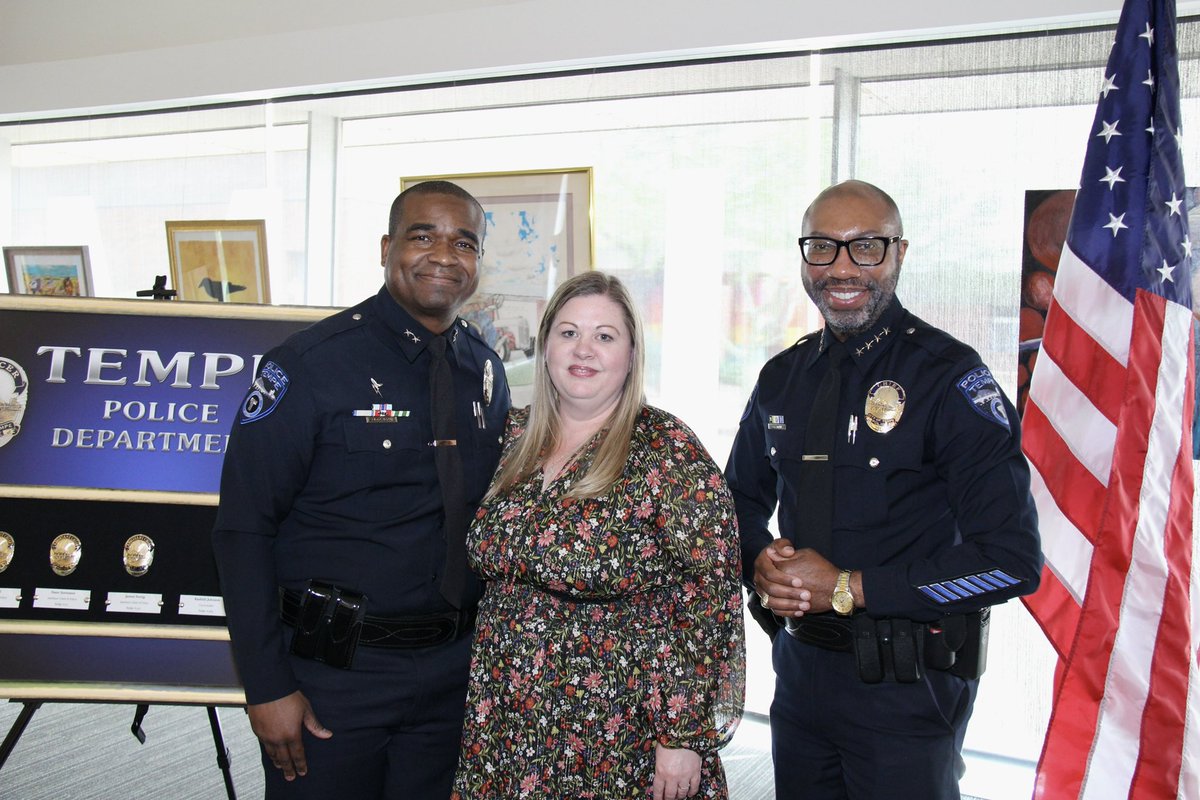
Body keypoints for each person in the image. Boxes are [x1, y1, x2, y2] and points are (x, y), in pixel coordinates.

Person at [725, 180, 1042, 799]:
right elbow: (734, 503)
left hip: (907, 691)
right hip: (799, 678)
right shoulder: (782, 377)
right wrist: (758, 563)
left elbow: (1010, 563)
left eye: (865, 247)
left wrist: (848, 588)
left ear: (900, 253)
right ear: (804, 258)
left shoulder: (950, 379)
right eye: (823, 247)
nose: (842, 268)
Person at [212, 180, 511, 799]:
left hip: (452, 672)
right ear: (386, 247)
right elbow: (243, 530)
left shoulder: (484, 368)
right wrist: (266, 685)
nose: (443, 255)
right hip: (334, 674)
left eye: (464, 242)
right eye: (422, 235)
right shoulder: (308, 365)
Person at [451, 272, 745, 800]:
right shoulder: (513, 436)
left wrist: (684, 737)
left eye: (604, 336)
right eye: (568, 333)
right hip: (507, 720)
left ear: (631, 354)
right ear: (545, 348)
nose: (583, 349)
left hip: (619, 730)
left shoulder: (667, 450)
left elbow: (711, 598)